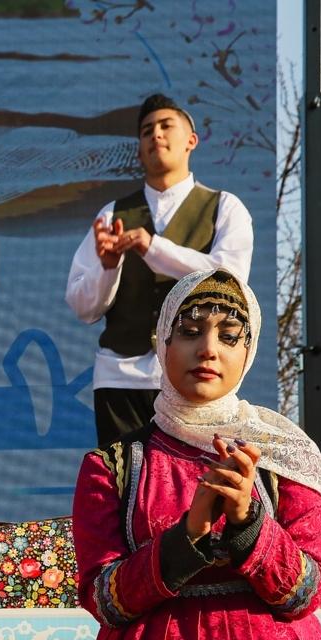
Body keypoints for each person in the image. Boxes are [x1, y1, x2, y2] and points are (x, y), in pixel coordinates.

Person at [72, 268, 321, 640]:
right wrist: (188, 535)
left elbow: (306, 594)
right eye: (190, 332)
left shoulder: (284, 455)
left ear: (248, 352)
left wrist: (248, 522)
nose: (208, 349)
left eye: (228, 336)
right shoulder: (112, 466)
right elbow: (103, 601)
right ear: (162, 342)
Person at [65, 93, 253, 447]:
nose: (156, 135)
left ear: (191, 141)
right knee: (123, 477)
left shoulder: (224, 207)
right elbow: (83, 306)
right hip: (121, 377)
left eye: (166, 126)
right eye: (146, 131)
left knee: (189, 479)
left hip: (196, 374)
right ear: (139, 151)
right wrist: (108, 268)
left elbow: (231, 279)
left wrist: (152, 248)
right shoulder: (112, 214)